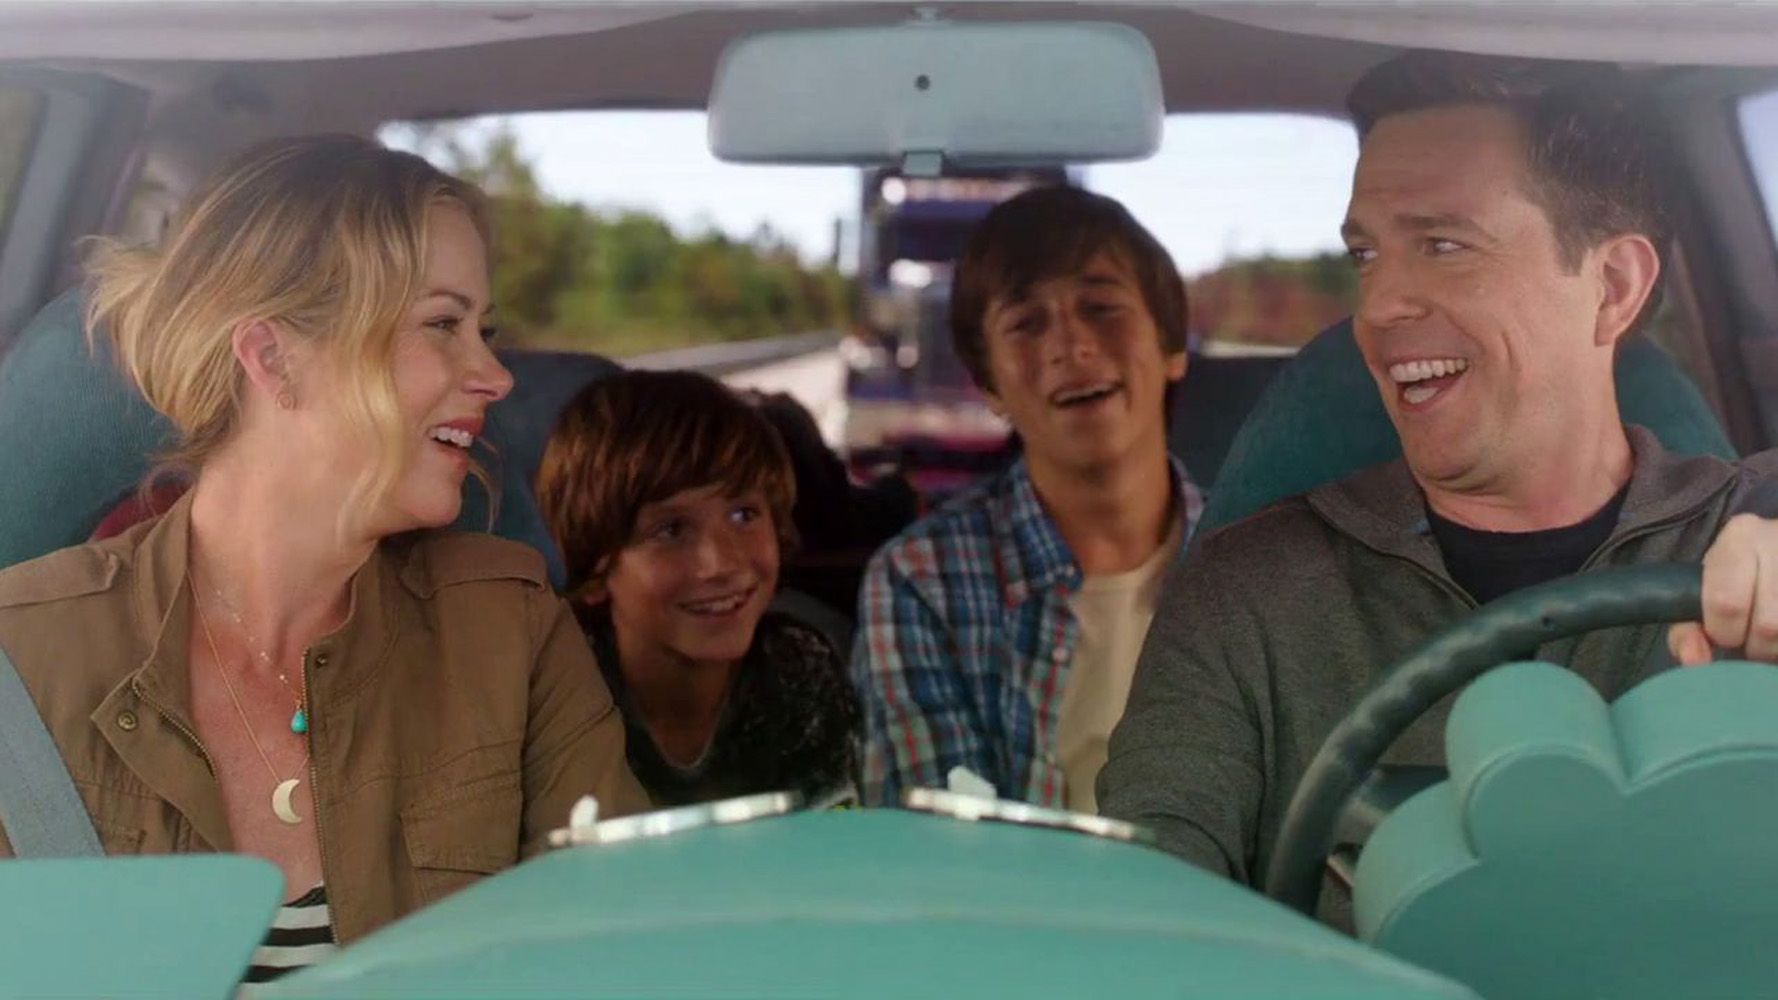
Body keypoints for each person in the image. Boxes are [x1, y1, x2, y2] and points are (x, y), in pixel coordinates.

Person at [1099, 50, 1778, 926]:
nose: (1378, 306)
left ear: (1612, 288)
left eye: (1444, 245)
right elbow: (1140, 918)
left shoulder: (1756, 530)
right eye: (1366, 255)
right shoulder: (1248, 594)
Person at [0, 135, 648, 980]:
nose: (495, 376)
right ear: (274, 358)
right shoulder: (20, 660)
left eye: (483, 330)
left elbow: (621, 956)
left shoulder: (510, 625)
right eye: (442, 324)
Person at [852, 186, 1205, 811]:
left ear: (1171, 345)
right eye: (1026, 324)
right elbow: (944, 845)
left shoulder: (1265, 563)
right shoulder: (920, 582)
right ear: (990, 386)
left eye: (1101, 307)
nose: (1071, 346)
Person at [534, 369, 861, 809]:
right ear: (595, 570)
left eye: (744, 515)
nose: (720, 564)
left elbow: (829, 841)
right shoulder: (549, 694)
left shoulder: (799, 670)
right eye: (670, 530)